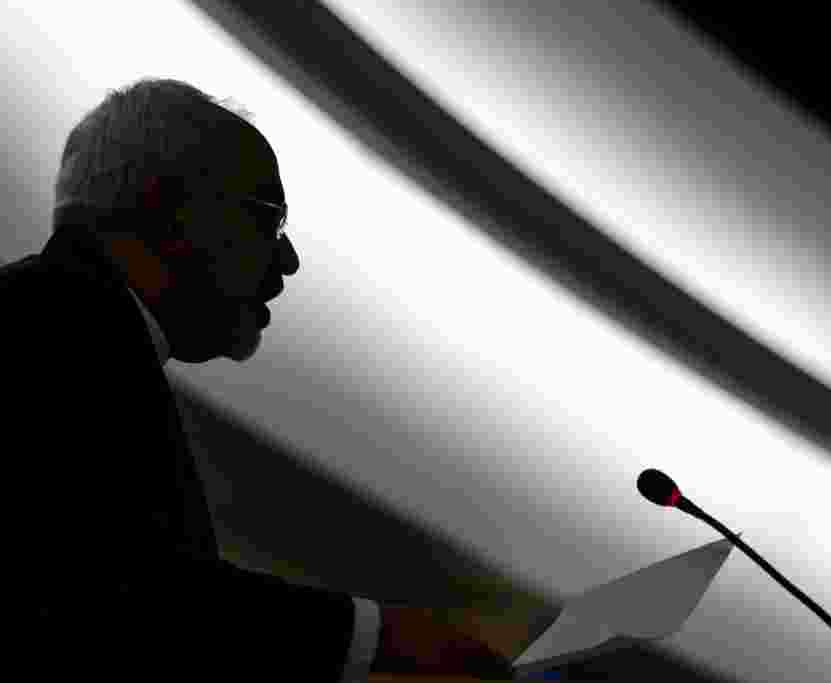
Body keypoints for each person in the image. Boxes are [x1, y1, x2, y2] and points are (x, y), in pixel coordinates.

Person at [5, 78, 513, 682]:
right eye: (267, 217)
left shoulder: (68, 326)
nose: (289, 258)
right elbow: (118, 598)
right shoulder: (48, 328)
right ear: (166, 210)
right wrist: (379, 640)